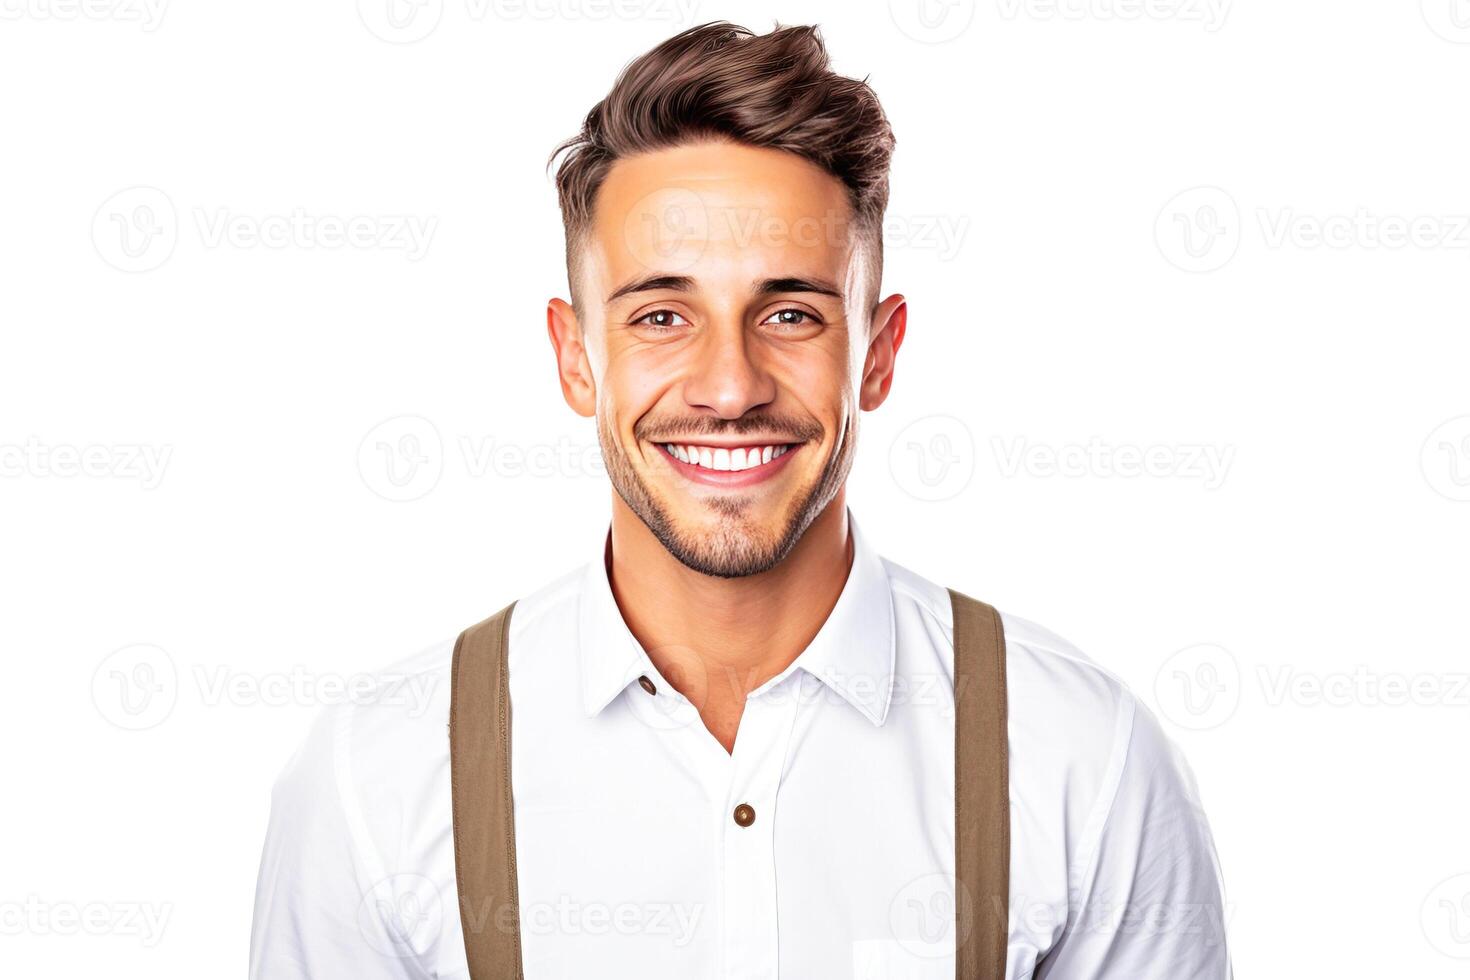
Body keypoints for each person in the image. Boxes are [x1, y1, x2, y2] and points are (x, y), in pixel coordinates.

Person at [249, 21, 1230, 979]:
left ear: (879, 355)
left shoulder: (1082, 761)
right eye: (663, 315)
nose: (730, 386)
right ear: (575, 356)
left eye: (792, 312)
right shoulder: (378, 776)